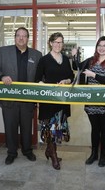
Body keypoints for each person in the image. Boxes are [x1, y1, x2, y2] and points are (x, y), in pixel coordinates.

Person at [0, 27, 42, 165]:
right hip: (9, 98)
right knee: (10, 126)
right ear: (14, 37)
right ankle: (11, 152)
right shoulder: (4, 51)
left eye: (24, 36)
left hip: (27, 99)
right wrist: (1, 77)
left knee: (27, 127)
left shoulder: (37, 55)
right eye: (18, 35)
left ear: (28, 38)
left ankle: (27, 150)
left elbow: (40, 75)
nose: (21, 38)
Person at [71, 36, 105, 167]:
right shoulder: (91, 60)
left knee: (104, 129)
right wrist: (74, 56)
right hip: (91, 101)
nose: (102, 48)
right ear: (96, 46)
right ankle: (94, 154)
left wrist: (93, 75)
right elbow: (77, 67)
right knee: (94, 129)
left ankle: (103, 156)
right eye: (100, 45)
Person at [35, 32, 74, 170]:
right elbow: (37, 78)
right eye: (56, 42)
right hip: (49, 101)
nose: (58, 44)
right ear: (50, 43)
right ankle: (54, 155)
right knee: (50, 130)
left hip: (62, 101)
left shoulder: (65, 58)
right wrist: (44, 86)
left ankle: (50, 151)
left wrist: (67, 81)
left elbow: (71, 75)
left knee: (57, 129)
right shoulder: (44, 60)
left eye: (61, 42)